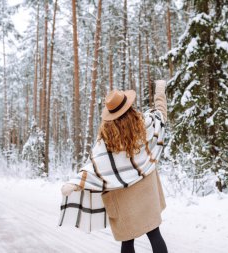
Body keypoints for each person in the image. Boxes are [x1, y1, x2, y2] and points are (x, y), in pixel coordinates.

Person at [60, 80, 168, 253]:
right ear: (130, 107)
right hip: (146, 193)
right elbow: (161, 113)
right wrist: (160, 89)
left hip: (122, 198)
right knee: (154, 234)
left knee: (127, 241)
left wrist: (76, 182)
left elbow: (94, 165)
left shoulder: (106, 141)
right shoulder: (145, 124)